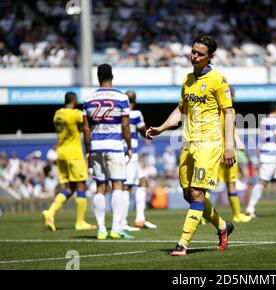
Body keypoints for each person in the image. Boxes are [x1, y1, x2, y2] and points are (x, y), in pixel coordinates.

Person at [146, 35, 236, 256]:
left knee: (197, 193)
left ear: (210, 57)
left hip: (210, 144)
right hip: (188, 143)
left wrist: (229, 146)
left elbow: (229, 113)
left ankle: (183, 244)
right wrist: (162, 127)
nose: (194, 56)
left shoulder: (218, 80)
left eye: (200, 54)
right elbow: (181, 110)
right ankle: (223, 226)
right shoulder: (187, 79)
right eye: (193, 51)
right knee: (189, 194)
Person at [83, 63, 133, 240]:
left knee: (100, 187)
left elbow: (86, 129)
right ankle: (115, 227)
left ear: (98, 77)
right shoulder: (121, 97)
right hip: (114, 146)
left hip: (96, 147)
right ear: (112, 77)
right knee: (118, 185)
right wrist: (129, 146)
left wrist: (88, 150)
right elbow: (125, 125)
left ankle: (101, 229)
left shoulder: (88, 99)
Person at [42, 92, 97, 232]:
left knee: (69, 189)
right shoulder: (74, 114)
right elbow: (88, 119)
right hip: (74, 154)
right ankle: (80, 222)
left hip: (61, 154)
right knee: (81, 186)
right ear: (74, 100)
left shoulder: (57, 114)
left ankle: (50, 212)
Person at [121, 90, 158, 231]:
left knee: (143, 181)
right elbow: (143, 131)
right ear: (134, 101)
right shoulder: (135, 114)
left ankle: (140, 219)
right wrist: (151, 133)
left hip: (123, 152)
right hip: (131, 153)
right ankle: (122, 222)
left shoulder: (118, 113)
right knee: (127, 187)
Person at [216, 86, 252, 223]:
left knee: (209, 184)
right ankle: (237, 215)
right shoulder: (227, 110)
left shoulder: (215, 109)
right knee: (230, 183)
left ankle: (202, 216)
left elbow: (232, 128)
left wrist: (239, 142)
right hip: (226, 151)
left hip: (214, 150)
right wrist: (237, 143)